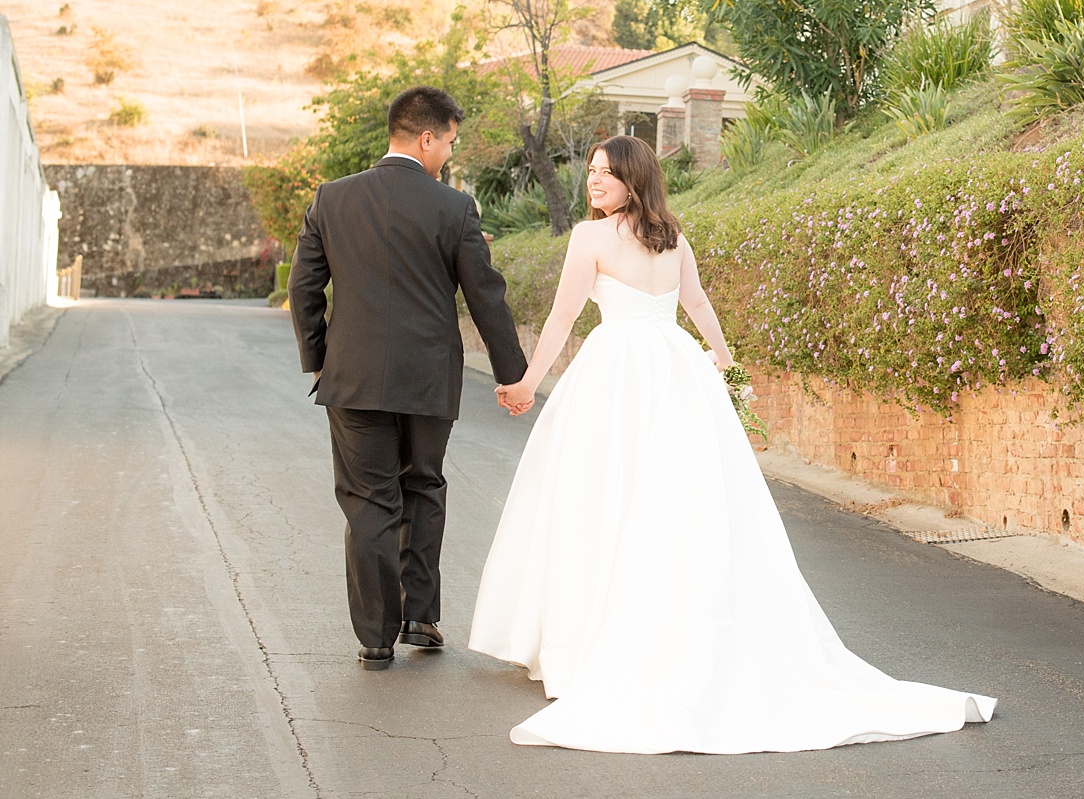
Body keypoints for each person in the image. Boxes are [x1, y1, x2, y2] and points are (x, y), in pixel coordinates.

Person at [469, 134, 995, 753]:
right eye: (589, 173)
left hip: (617, 374)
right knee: (670, 504)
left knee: (605, 499)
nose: (593, 183)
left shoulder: (591, 239)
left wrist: (529, 382)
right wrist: (730, 376)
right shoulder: (673, 237)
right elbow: (696, 310)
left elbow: (567, 318)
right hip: (674, 369)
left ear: (634, 179)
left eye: (605, 174)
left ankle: (587, 642)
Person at [289, 86, 528, 670]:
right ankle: (421, 615)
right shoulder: (454, 208)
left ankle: (375, 635)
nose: (448, 153)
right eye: (448, 141)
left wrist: (318, 357)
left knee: (370, 500)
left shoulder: (332, 199)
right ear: (427, 138)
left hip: (354, 378)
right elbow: (486, 298)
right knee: (422, 485)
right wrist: (512, 375)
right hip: (428, 380)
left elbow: (303, 289)